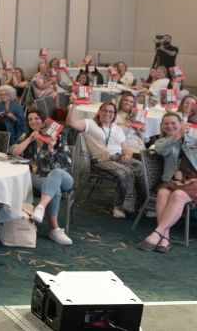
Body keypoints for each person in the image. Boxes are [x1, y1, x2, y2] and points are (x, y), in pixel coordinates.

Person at [66, 102, 144, 218]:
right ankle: (121, 207)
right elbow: (70, 122)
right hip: (101, 161)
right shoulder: (90, 124)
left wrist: (128, 154)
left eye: (111, 111)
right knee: (124, 172)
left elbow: (126, 148)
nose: (108, 113)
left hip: (119, 158)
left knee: (143, 170)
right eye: (105, 110)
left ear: (115, 114)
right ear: (99, 112)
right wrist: (74, 105)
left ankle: (141, 203)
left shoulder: (118, 129)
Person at [9, 110, 74, 245]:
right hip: (39, 177)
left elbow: (66, 163)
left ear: (45, 120)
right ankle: (54, 229)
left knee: (56, 174)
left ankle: (41, 206)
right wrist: (29, 139)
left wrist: (51, 150)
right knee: (54, 189)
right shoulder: (27, 136)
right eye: (30, 119)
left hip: (64, 177)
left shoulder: (58, 137)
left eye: (37, 118)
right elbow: (13, 152)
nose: (34, 121)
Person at [139, 112, 197, 253]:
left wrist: (186, 136)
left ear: (181, 124)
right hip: (172, 180)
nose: (170, 126)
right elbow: (161, 150)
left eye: (173, 123)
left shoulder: (193, 138)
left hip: (193, 180)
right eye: (166, 124)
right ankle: (165, 238)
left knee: (178, 195)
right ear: (162, 126)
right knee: (162, 193)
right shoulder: (162, 142)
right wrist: (176, 137)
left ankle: (157, 233)